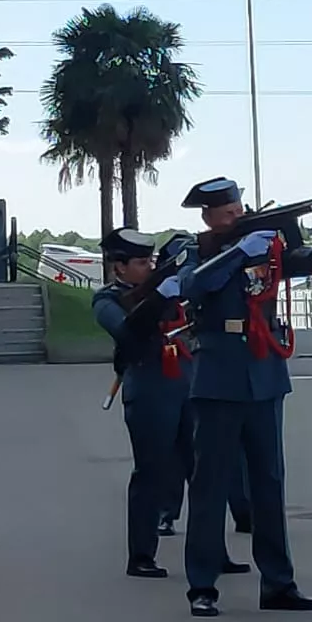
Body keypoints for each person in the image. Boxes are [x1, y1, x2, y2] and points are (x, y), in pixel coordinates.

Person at [176, 177, 312, 618]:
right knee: (210, 485)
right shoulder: (199, 249)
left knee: (269, 483)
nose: (236, 217)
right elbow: (193, 287)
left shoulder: (267, 249)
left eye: (238, 210)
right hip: (218, 378)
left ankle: (279, 583)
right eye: (226, 214)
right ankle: (202, 585)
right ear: (208, 217)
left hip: (264, 375)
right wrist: (236, 253)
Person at [92, 229, 200, 578]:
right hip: (150, 387)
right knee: (152, 472)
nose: (148, 267)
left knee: (203, 472)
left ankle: (211, 550)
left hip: (187, 382)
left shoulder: (163, 288)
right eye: (141, 263)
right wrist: (156, 298)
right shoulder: (106, 300)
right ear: (118, 267)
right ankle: (141, 554)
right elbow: (126, 332)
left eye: (151, 261)